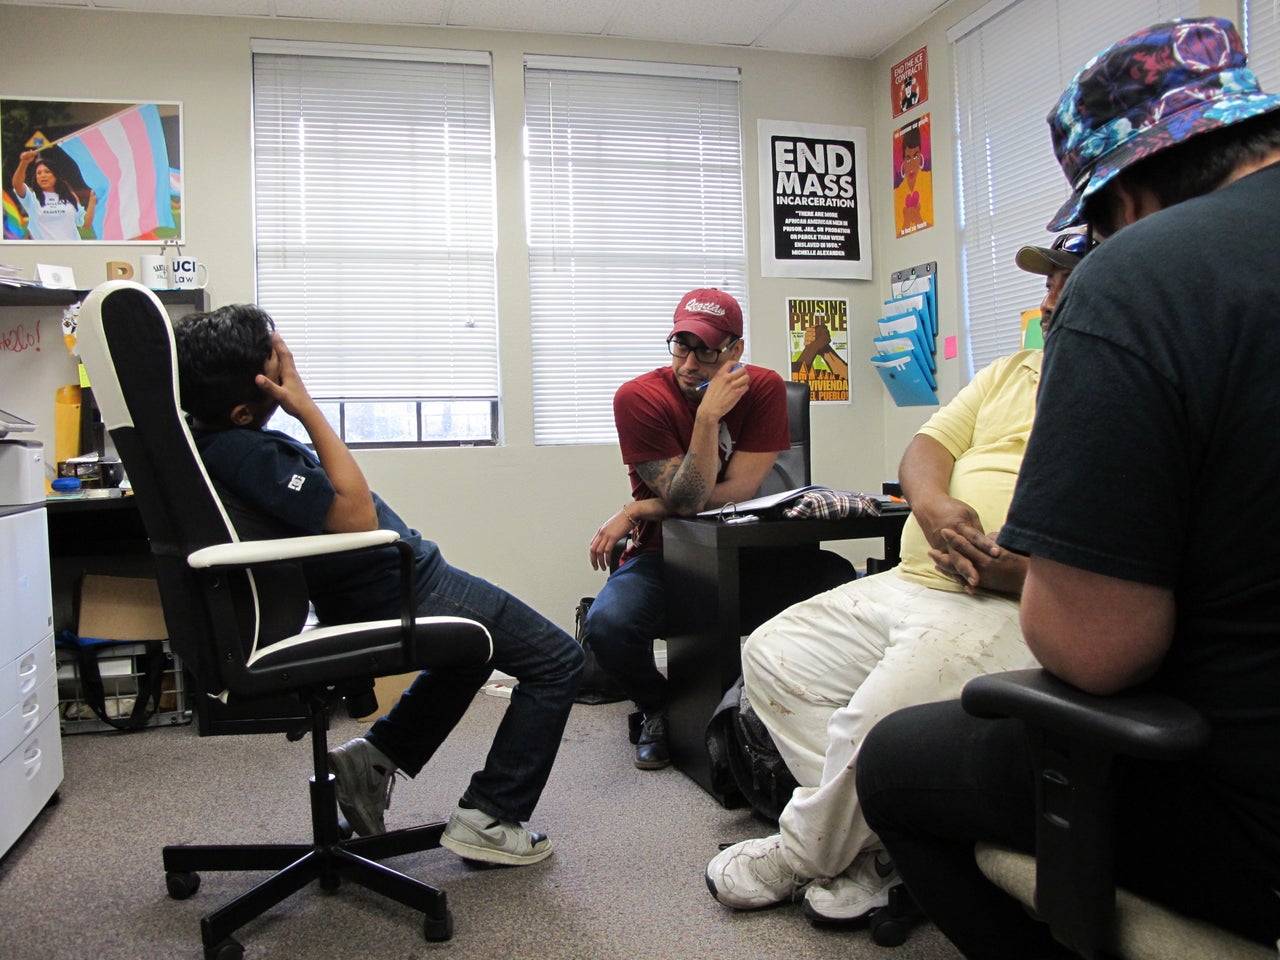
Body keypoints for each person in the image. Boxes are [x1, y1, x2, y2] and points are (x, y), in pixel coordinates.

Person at [857, 18, 1280, 957]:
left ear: (1124, 198)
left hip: (1244, 805)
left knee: (893, 764)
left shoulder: (1142, 276)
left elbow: (1095, 650)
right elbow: (927, 446)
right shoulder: (1005, 370)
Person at [705, 232, 1090, 923]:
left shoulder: (1125, 385)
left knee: (876, 718)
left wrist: (1019, 567)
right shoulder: (1011, 371)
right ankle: (881, 846)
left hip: (1006, 598)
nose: (1050, 295)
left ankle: (800, 853)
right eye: (1050, 279)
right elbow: (927, 446)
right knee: (769, 652)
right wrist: (935, 505)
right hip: (915, 576)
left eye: (1067, 278)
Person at [173, 304, 583, 866]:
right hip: (394, 586)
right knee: (558, 660)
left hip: (379, 583)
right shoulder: (248, 453)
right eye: (277, 362)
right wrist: (307, 407)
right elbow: (357, 518)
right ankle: (490, 817)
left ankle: (376, 758)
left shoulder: (219, 442)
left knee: (471, 652)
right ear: (244, 409)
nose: (289, 363)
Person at [582, 288, 855, 770]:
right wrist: (708, 418)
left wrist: (639, 509)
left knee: (839, 580)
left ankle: (795, 705)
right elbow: (689, 501)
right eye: (681, 346)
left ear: (735, 351)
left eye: (707, 350)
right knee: (609, 627)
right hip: (665, 559)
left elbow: (741, 491)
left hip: (745, 551)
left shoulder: (765, 389)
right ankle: (660, 708)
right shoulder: (638, 398)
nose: (690, 363)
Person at [10, 150, 96, 241]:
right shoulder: (31, 197)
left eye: (47, 172)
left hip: (71, 250)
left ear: (56, 175)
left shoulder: (70, 196)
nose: (43, 175)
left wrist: (92, 200)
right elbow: (17, 184)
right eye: (39, 173)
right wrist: (24, 163)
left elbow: (85, 224)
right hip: (44, 251)